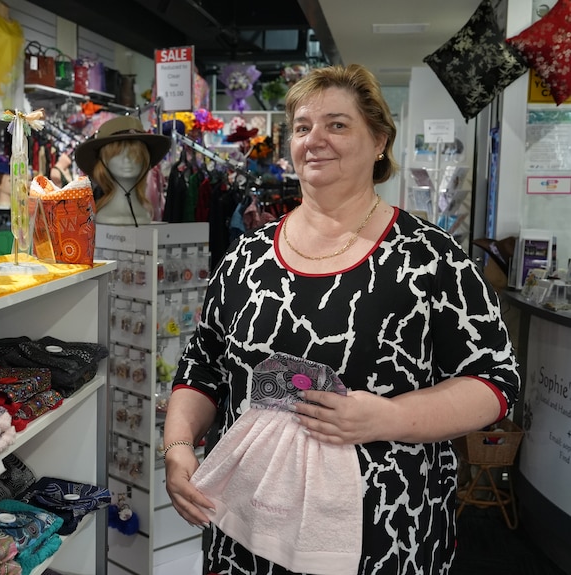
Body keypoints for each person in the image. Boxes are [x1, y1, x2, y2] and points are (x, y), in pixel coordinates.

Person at [162, 64, 520, 575]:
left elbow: (495, 381)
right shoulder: (246, 257)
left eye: (337, 124)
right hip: (246, 527)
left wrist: (388, 418)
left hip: (383, 531)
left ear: (379, 141)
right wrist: (176, 448)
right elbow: (203, 365)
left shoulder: (430, 257)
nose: (315, 140)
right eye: (303, 127)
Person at [74, 116, 170, 226]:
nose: (127, 159)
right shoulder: (104, 216)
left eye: (134, 153)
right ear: (103, 161)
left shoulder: (145, 212)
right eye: (117, 153)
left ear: (145, 159)